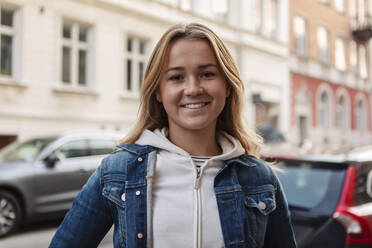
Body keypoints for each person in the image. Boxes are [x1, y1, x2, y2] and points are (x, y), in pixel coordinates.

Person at [49, 23, 297, 248]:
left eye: (207, 74)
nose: (193, 89)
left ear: (228, 86)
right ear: (158, 91)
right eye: (176, 77)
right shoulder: (118, 171)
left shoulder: (259, 178)